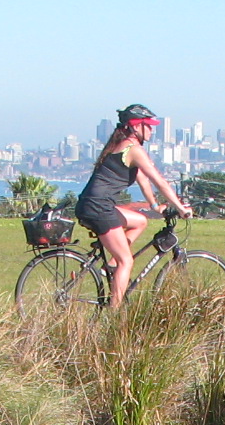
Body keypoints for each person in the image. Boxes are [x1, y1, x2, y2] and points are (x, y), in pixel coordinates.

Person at [74, 104, 192, 307]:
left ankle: (110, 267)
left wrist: (155, 206)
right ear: (136, 126)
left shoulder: (120, 146)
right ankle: (115, 313)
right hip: (98, 207)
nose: (152, 130)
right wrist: (181, 208)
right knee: (126, 261)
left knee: (139, 221)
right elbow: (160, 181)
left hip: (93, 204)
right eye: (149, 126)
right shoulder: (134, 150)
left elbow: (144, 181)